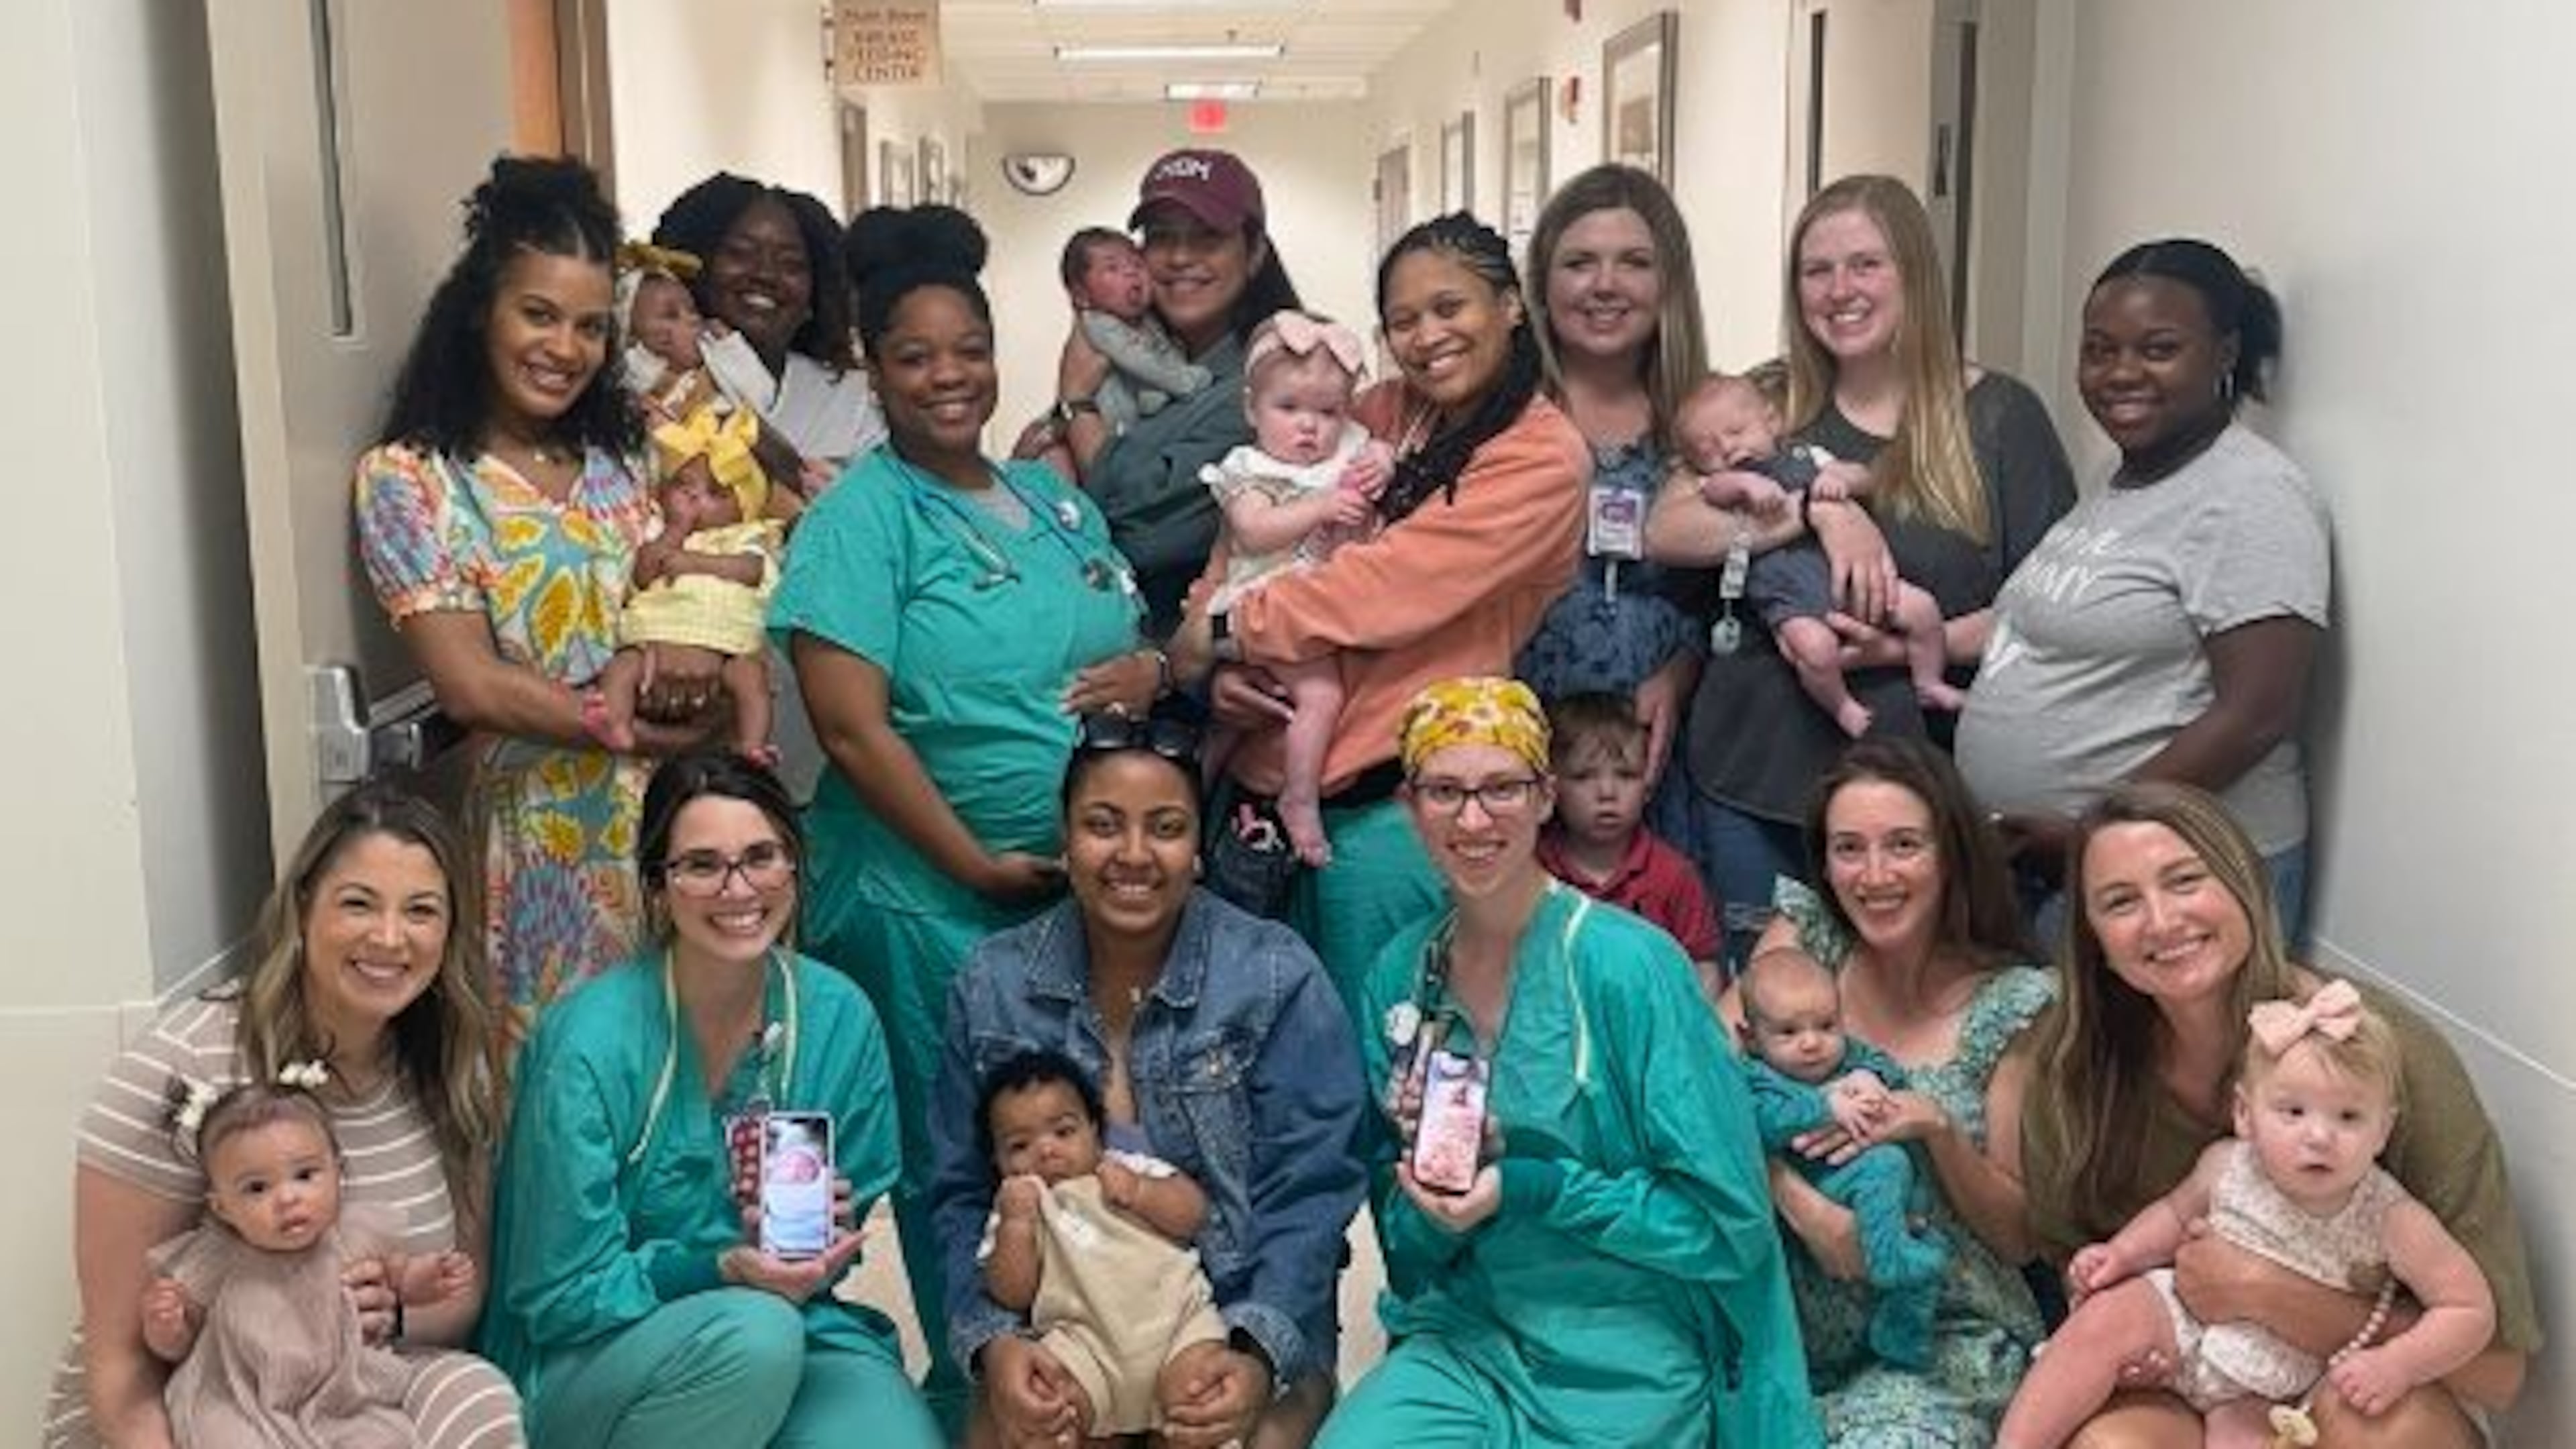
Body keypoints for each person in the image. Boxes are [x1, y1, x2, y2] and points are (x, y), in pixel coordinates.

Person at [772, 203, 1161, 1424]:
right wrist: (976, 864)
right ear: (875, 372)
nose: (949, 376)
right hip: (920, 897)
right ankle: (983, 1396)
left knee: (1055, 1152)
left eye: (969, 349)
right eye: (915, 356)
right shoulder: (861, 520)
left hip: (1060, 899)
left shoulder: (1053, 502)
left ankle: (1077, 1382)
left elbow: (1117, 629)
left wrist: (1151, 672)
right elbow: (850, 728)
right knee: (964, 1165)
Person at [1317, 678, 1815, 1447]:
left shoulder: (1631, 968)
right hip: (1471, 1340)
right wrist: (1433, 1194)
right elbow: (1408, 1258)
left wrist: (1533, 1187)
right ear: (1410, 808)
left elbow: (1730, 1228)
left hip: (1629, 1354)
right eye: (1445, 791)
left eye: (1501, 788)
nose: (1474, 818)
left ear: (1546, 797)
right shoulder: (1400, 975)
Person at [2019, 783, 2540, 1448]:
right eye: (2121, 901)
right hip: (2185, 1367)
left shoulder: (2377, 1055)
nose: (2160, 920)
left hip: (2350, 1377)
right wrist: (2122, 1320)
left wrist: (2262, 1290)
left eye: (2184, 882)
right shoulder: (2075, 1070)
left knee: (2393, 1434)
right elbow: (2082, 1270)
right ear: (2093, 938)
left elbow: (2498, 1373)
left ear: (2245, 885)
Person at [1165, 212, 1589, 1012]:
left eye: (1450, 307)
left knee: (1382, 1060)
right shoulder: (1390, 411)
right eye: (1403, 320)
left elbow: (1380, 589)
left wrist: (1223, 632)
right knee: (1251, 1051)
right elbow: (1252, 523)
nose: (1427, 336)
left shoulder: (1542, 457)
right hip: (1263, 789)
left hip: (1388, 816)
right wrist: (1209, 653)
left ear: (1509, 306)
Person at [1649, 173, 2075, 968]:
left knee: (1909, 1035)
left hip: (1920, 797)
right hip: (1756, 781)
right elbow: (1667, 530)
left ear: (1914, 271)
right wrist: (1815, 507)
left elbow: (2038, 611)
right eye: (1817, 270)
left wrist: (1916, 646)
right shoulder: (1766, 399)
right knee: (1772, 1019)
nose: (1840, 290)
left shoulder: (1999, 416)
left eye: (1865, 265)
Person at [929, 708, 1366, 1448]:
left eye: (1165, 828)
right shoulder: (993, 986)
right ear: (1065, 840)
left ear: (1199, 846)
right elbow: (956, 1193)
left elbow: (1312, 1191)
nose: (1133, 854)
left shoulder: (1273, 974)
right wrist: (997, 1344)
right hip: (1065, 1328)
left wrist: (1257, 1353)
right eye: (1103, 825)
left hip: (1228, 1315)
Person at [480, 751, 940, 1449]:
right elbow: (558, 1294)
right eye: (701, 865)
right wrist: (719, 1268)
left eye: (762, 857)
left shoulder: (837, 1016)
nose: (738, 888)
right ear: (658, 889)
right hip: (600, 1350)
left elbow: (841, 1245)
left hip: (792, 1322)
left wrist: (822, 1245)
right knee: (756, 1339)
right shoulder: (590, 1044)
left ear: (794, 865)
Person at [44, 785, 519, 1449]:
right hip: (198, 1412)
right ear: (302, 909)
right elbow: (120, 1368)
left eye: (420, 911)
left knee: (477, 1395)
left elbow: (463, 1294)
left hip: (350, 1396)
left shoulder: (450, 1069)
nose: (389, 937)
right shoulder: (187, 1064)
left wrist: (399, 1312)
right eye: (358, 903)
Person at [356, 156, 690, 1057]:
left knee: (681, 1100)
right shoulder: (414, 481)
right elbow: (470, 685)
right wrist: (622, 725)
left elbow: (702, 585)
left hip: (674, 833)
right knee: (549, 1112)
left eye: (589, 326)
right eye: (538, 314)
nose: (565, 348)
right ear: (481, 311)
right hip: (524, 850)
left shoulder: (635, 458)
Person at [1960, 239, 2328, 941]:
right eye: (2099, 350)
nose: (2121, 373)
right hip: (2083, 867)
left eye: (2159, 349)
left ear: (2224, 354)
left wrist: (2098, 830)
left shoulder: (2250, 494)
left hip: (2181, 877)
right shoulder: (2121, 477)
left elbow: (2256, 712)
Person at [1721, 737, 2055, 1443]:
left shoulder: (2014, 1004)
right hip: (1774, 1317)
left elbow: (2019, 1236)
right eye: (1849, 849)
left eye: (1904, 845)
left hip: (1938, 1337)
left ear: (1951, 853)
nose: (1874, 875)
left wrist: (1938, 1128)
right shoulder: (1806, 938)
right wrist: (1799, 1199)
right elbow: (1700, 1097)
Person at [1998, 982, 2496, 1449]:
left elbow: (2469, 1311)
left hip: (2280, 1379)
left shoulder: (2392, 1217)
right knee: (2106, 1320)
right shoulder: (2228, 1164)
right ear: (2245, 1114)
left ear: (2384, 1131)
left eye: (2348, 1117)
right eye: (2293, 1112)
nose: (2319, 1136)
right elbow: (2173, 1215)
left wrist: (2399, 1365)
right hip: (2185, 1320)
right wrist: (2121, 1253)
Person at [1515, 166, 1712, 846]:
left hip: (1654, 754)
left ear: (1669, 285)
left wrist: (1683, 675)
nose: (1605, 285)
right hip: (1520, 739)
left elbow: (1738, 595)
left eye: (1634, 262)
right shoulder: (1502, 418)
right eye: (1579, 263)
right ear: (1542, 282)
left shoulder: (1709, 421)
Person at [1046, 148, 1306, 631]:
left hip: (1198, 663)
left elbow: (1144, 533)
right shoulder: (1139, 351)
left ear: (1254, 253)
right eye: (1162, 237)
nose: (1181, 257)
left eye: (1208, 238)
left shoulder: (1278, 381)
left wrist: (1076, 406)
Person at [143, 1077, 475, 1448]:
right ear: (223, 1208)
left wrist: (428, 1280)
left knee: (381, 1439)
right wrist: (168, 1328)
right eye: (256, 1188)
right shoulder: (220, 1257)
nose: (287, 1198)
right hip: (237, 1399)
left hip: (342, 1397)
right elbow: (181, 1342)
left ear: (338, 1173)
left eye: (304, 1176)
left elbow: (400, 1278)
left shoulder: (355, 1235)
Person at [1201, 308, 1395, 866]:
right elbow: (1254, 531)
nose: (1309, 427)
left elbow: (1378, 448)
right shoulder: (1251, 468)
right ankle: (1300, 797)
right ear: (1251, 409)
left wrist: (1380, 461)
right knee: (1321, 695)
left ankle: (1200, 778)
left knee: (1244, 716)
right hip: (1263, 600)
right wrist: (1323, 506)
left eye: (1328, 411)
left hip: (1321, 605)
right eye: (1288, 408)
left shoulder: (1344, 449)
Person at [1676, 372, 1964, 737]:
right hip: (1788, 599)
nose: (1727, 449)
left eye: (1736, 432)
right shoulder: (1724, 484)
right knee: (1815, 651)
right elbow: (1714, 489)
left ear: (1771, 421)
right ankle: (1841, 705)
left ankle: (1929, 681)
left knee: (1922, 609)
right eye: (1708, 449)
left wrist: (1840, 480)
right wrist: (1746, 484)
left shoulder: (1806, 455)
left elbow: (1865, 476)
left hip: (1850, 583)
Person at [975, 1049, 1226, 1440]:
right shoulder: (1017, 1208)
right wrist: (1017, 1226)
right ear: (999, 1161)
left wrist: (1142, 1192)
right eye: (1020, 1146)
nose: (1046, 1150)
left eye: (1063, 1131)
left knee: (1198, 1400)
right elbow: (1011, 1294)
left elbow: (1193, 1213)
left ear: (1095, 1129)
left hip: (1178, 1326)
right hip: (1085, 1350)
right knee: (1050, 1412)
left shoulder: (1128, 1168)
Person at [1736, 945, 1949, 1370]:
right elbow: (1755, 1120)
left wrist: (1873, 1079)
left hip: (1885, 1202)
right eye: (1789, 1032)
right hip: (1815, 1185)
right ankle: (1888, 1261)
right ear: (1750, 1038)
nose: (1812, 1043)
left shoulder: (1851, 1057)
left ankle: (1901, 1336)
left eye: (1826, 1025)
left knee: (1932, 1251)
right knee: (1885, 1164)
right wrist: (1824, 1106)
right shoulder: (1754, 1075)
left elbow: (1886, 1071)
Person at [584, 409, 786, 763]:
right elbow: (644, 573)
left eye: (715, 494)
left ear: (744, 509)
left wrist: (696, 563)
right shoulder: (657, 530)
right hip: (657, 633)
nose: (694, 499)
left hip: (725, 642)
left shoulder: (743, 536)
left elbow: (751, 570)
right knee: (623, 667)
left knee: (751, 681)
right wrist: (674, 533)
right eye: (683, 485)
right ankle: (614, 719)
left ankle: (751, 746)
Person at [1534, 690, 1719, 983]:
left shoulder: (1673, 876)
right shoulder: (1532, 871)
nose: (1607, 793)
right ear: (1551, 789)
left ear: (1648, 785)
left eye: (1626, 775)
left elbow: (1702, 966)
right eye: (1584, 776)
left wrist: (1694, 1026)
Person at [1061, 227, 1212, 437]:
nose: (1131, 272)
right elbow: (1140, 362)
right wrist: (1185, 382)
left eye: (1137, 264)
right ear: (1081, 296)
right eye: (1112, 268)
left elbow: (1164, 353)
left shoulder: (1147, 320)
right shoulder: (1098, 323)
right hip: (1112, 427)